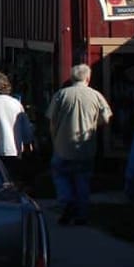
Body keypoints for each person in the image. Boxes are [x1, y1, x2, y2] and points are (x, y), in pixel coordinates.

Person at [46, 63, 113, 225]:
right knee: (82, 180)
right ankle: (81, 214)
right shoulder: (96, 96)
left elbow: (51, 119)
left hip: (62, 146)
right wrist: (93, 125)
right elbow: (106, 118)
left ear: (72, 77)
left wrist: (54, 136)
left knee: (61, 176)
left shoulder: (61, 95)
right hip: (86, 147)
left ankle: (66, 201)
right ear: (88, 78)